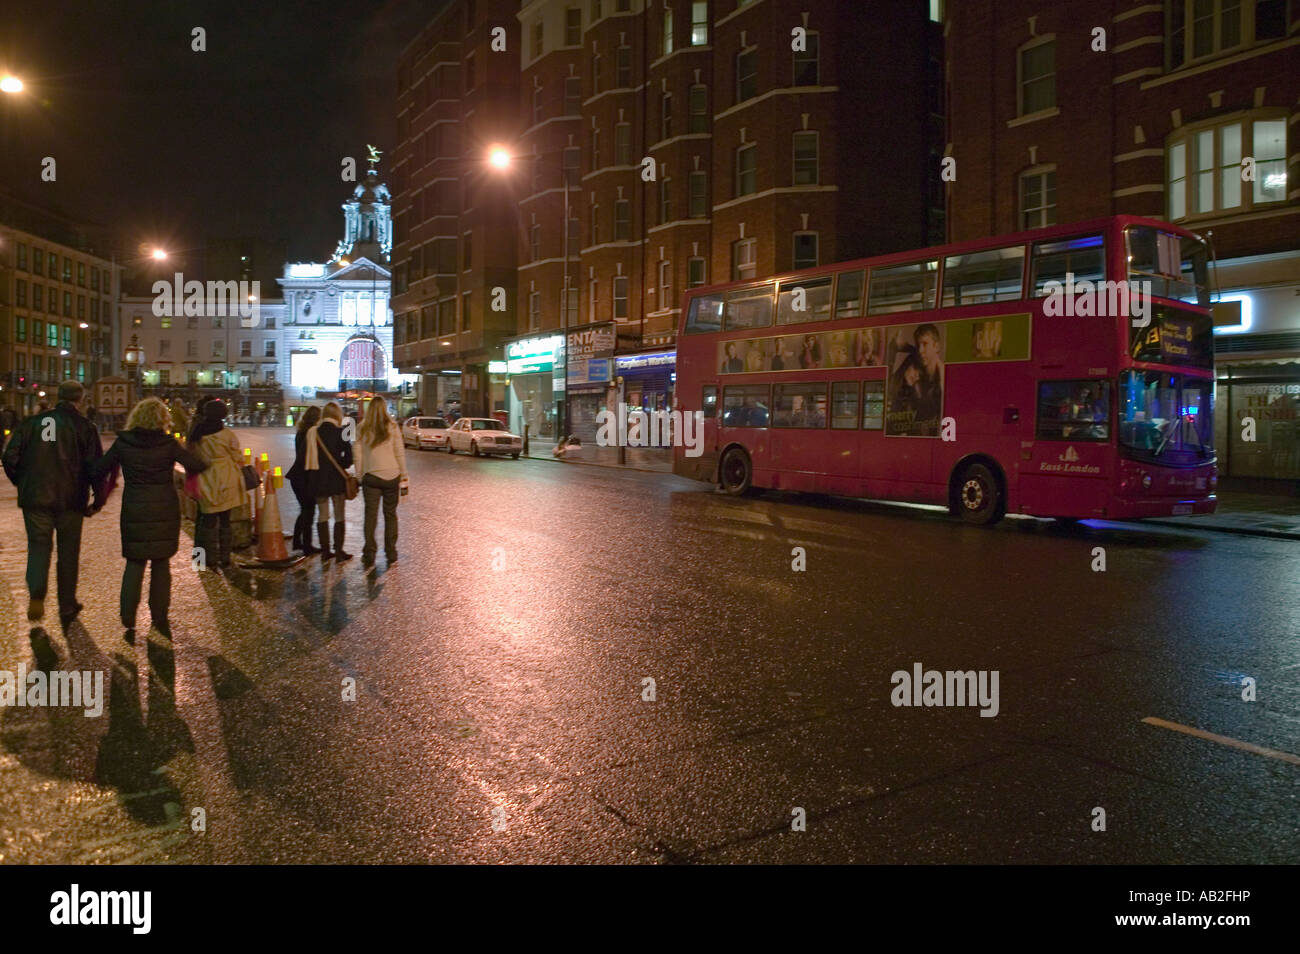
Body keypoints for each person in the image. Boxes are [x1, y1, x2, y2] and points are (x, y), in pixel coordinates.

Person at [89, 398, 207, 638]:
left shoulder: (124, 443)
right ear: (163, 419)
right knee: (161, 563)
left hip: (134, 507)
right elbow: (196, 464)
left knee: (135, 561)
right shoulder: (169, 444)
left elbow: (99, 469)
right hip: (164, 507)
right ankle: (159, 616)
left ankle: (127, 616)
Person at [2, 381, 111, 625]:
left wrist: (23, 481)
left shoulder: (32, 423)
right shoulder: (85, 427)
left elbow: (9, 456)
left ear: (58, 397)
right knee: (68, 552)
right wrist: (98, 498)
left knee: (38, 548)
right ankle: (67, 604)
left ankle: (37, 596)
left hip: (36, 498)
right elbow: (95, 467)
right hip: (71, 498)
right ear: (80, 399)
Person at [187, 399, 245, 569]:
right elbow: (237, 457)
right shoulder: (227, 434)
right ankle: (225, 558)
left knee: (208, 520)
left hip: (205, 478)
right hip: (226, 477)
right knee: (225, 520)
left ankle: (206, 559)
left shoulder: (197, 434)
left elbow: (192, 454)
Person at [355, 398, 407, 567]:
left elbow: (358, 454)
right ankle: (391, 552)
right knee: (390, 515)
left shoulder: (362, 427)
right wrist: (404, 475)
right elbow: (399, 452)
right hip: (392, 475)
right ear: (385, 409)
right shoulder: (392, 427)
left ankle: (369, 553)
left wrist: (359, 476)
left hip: (371, 476)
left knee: (370, 516)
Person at [305, 401, 354, 562]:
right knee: (339, 515)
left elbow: (309, 457)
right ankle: (339, 550)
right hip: (337, 480)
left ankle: (325, 551)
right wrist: (340, 464)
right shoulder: (343, 431)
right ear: (337, 415)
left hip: (318, 479)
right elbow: (348, 459)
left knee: (323, 515)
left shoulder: (314, 432)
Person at [286, 405, 322, 554]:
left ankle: (298, 542)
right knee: (309, 510)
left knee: (305, 510)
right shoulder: (312, 433)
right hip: (305, 476)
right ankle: (306, 545)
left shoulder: (301, 431)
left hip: (297, 476)